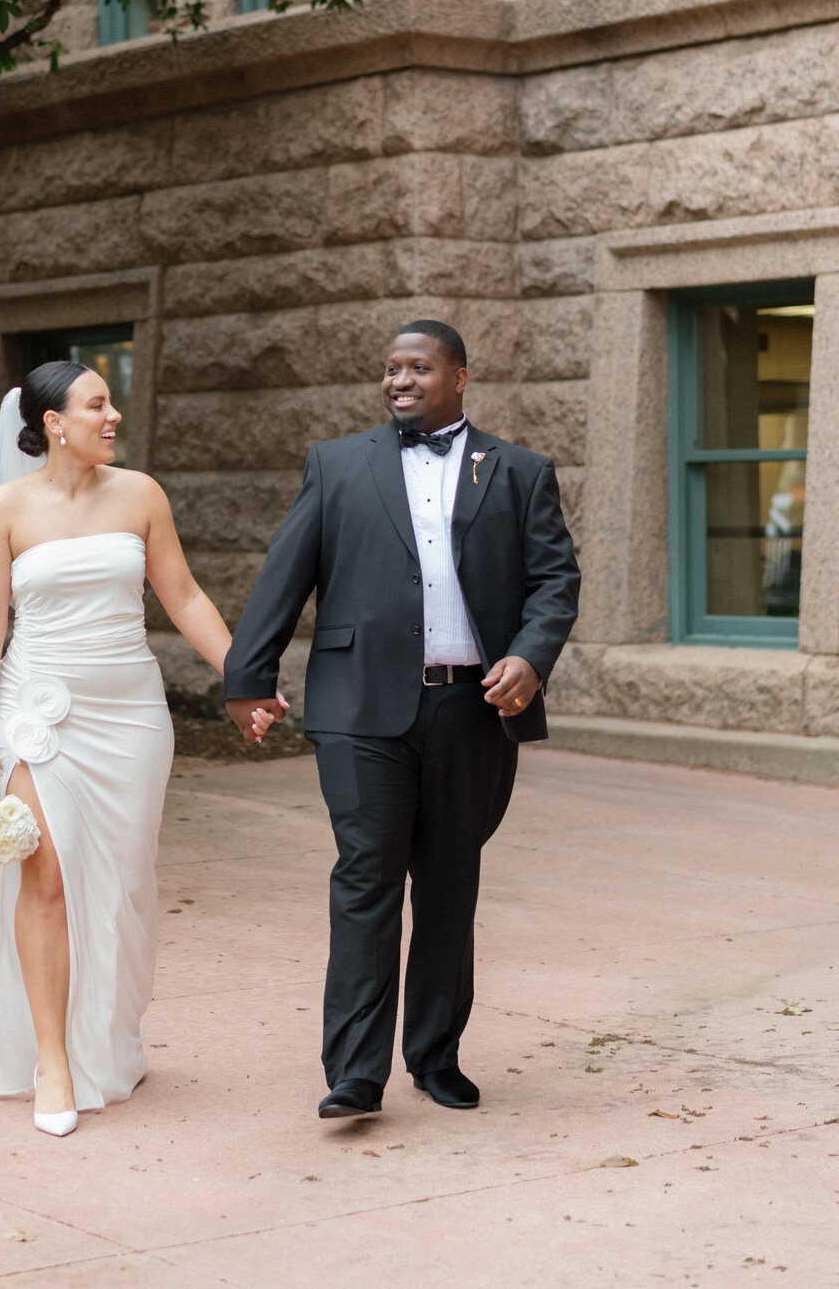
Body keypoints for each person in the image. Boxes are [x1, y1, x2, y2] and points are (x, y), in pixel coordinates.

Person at [223, 319, 580, 1119]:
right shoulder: (338, 464)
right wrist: (249, 675)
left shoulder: (520, 472)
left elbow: (556, 581)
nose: (399, 380)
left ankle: (435, 1055)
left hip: (472, 708)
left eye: (418, 366)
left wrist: (530, 656)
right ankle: (354, 1070)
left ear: (459, 376)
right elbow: (287, 572)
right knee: (366, 874)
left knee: (450, 882)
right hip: (359, 706)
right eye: (390, 368)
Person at [0, 360, 232, 1136]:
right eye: (97, 404)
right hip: (34, 711)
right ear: (53, 422)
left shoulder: (140, 495)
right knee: (41, 877)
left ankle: (111, 1038)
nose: (112, 416)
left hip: (130, 716)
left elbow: (181, 594)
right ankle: (52, 1060)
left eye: (110, 404)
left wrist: (240, 677)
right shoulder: (1, 509)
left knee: (123, 886)